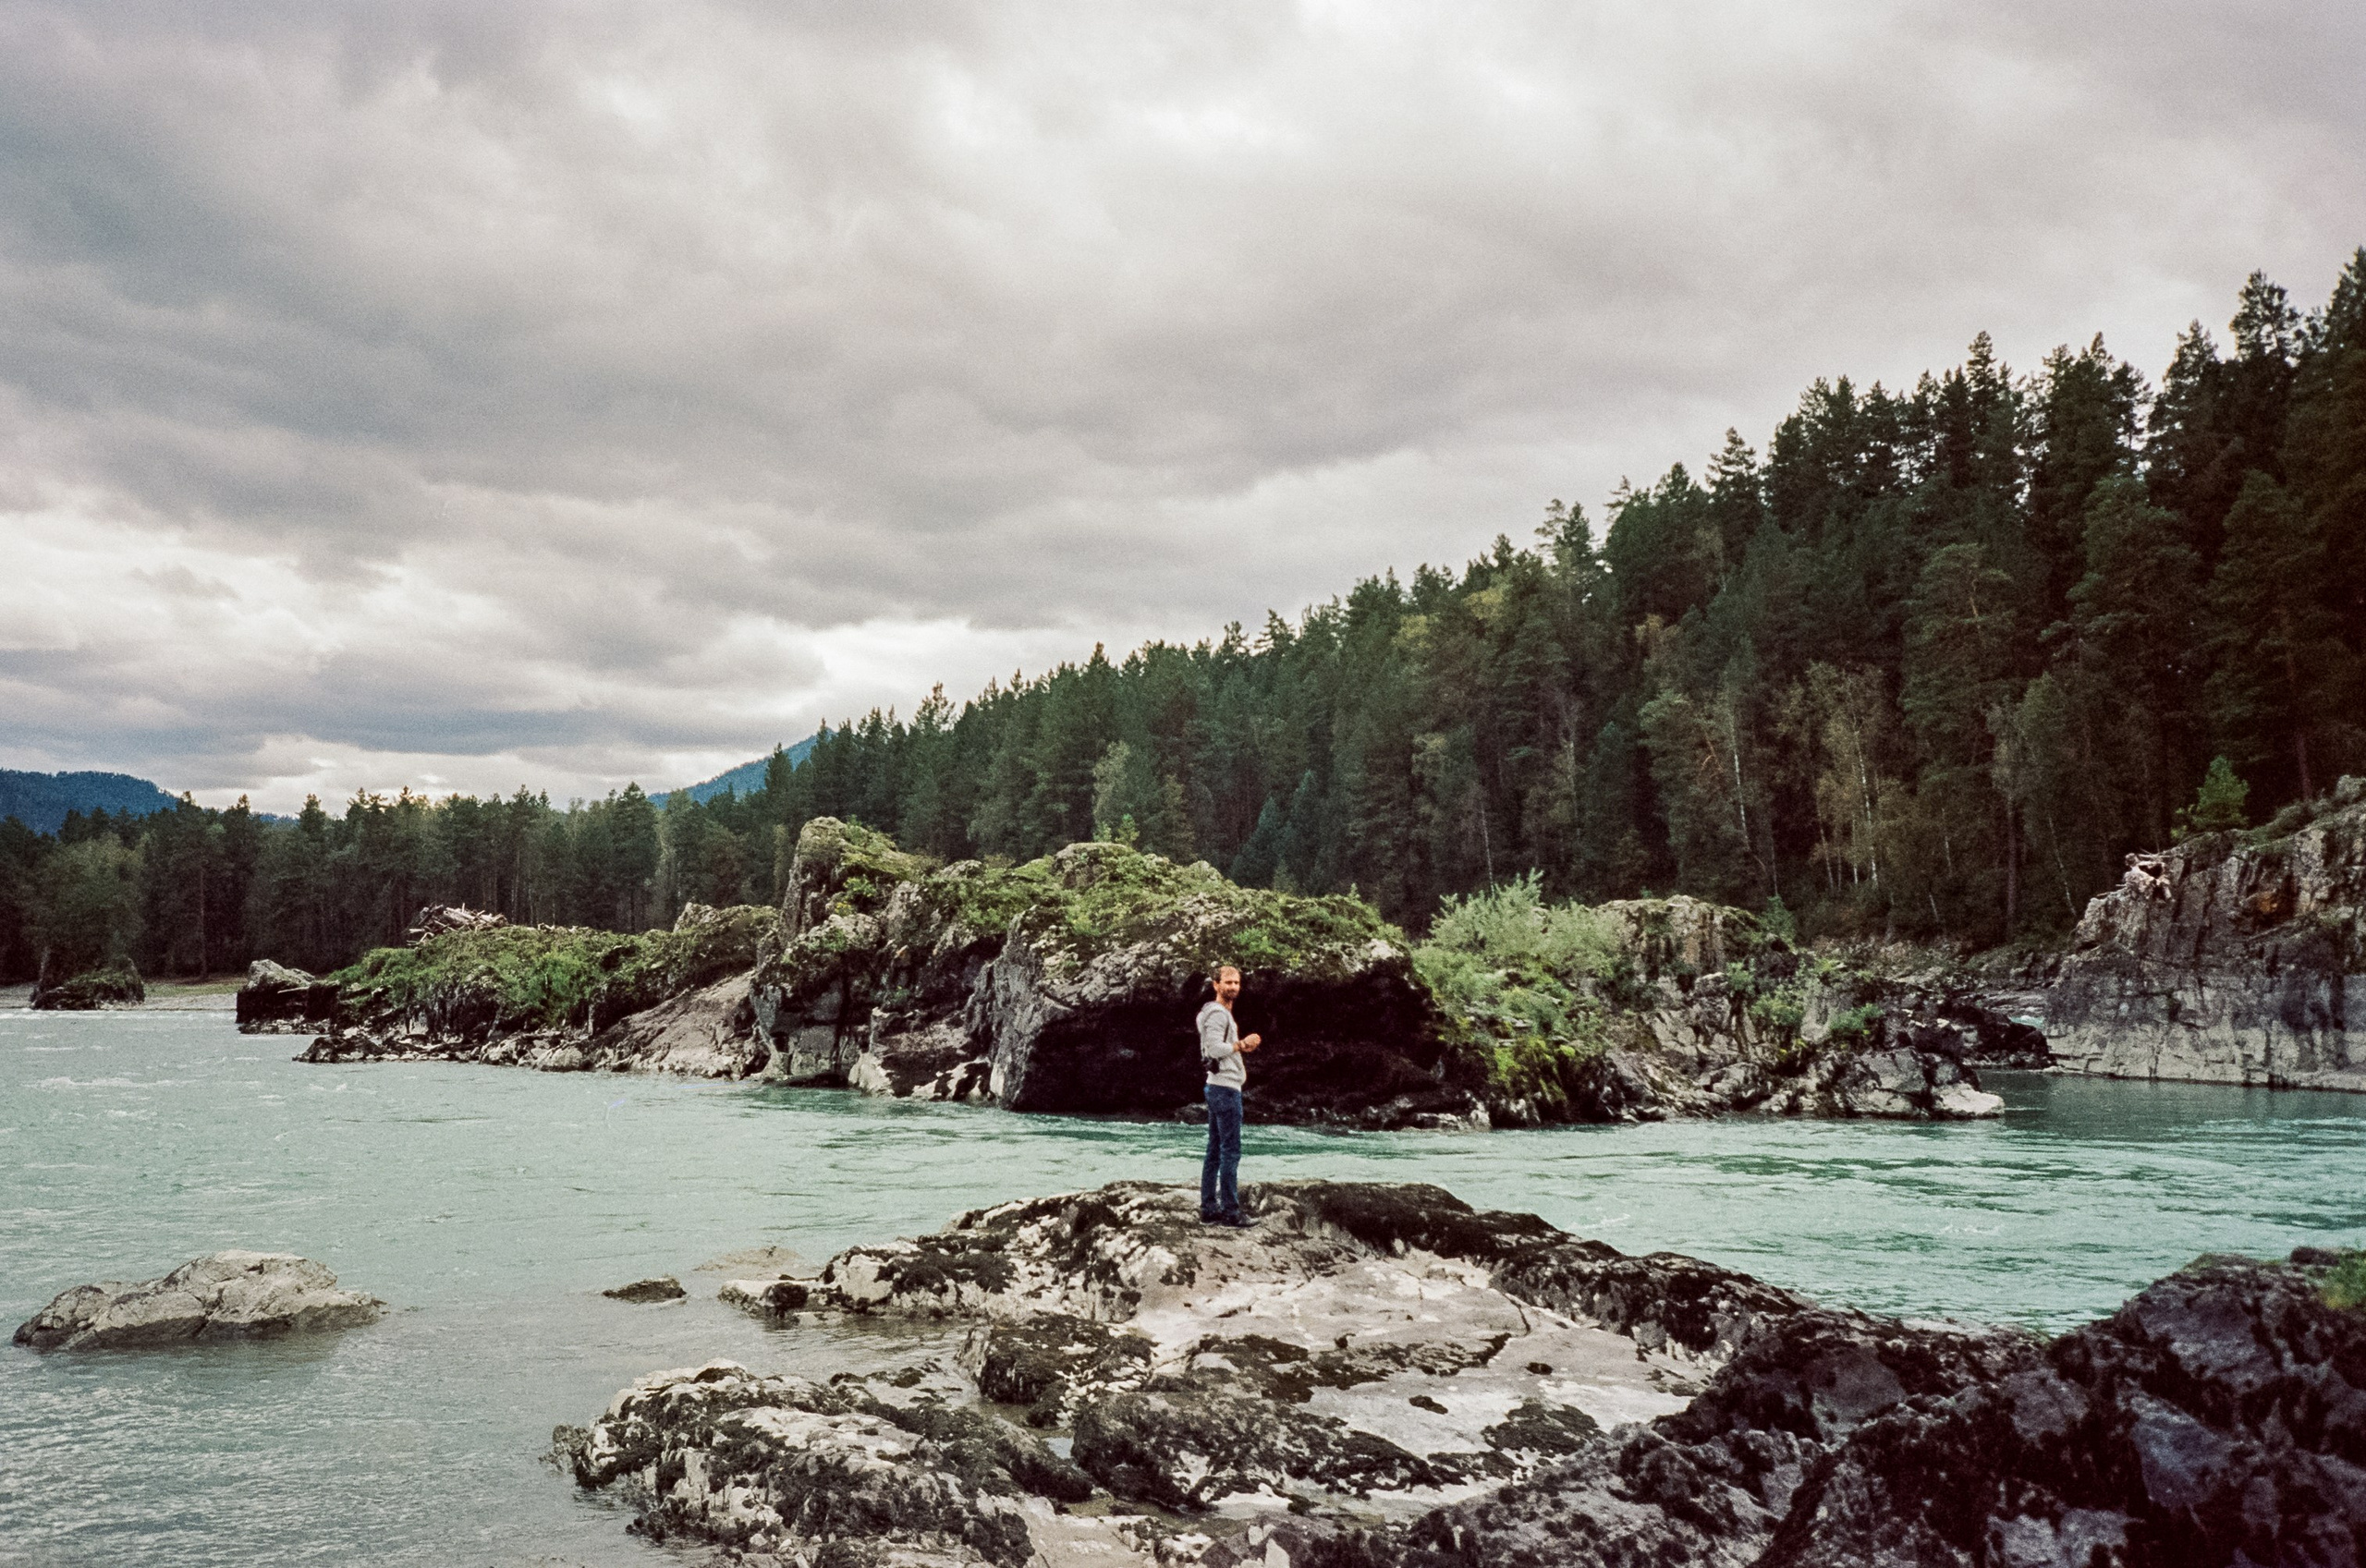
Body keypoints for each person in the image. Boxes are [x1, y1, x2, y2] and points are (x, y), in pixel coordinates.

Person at [1197, 965, 1262, 1227]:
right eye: (1228, 983)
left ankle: (1209, 1209)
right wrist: (1241, 1044)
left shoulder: (1214, 1014)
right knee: (1230, 1151)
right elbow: (1213, 1048)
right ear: (1216, 985)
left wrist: (1237, 1048)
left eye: (1236, 983)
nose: (1233, 987)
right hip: (1224, 1089)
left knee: (1215, 1150)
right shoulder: (1218, 1015)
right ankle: (1231, 1213)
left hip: (1216, 1087)